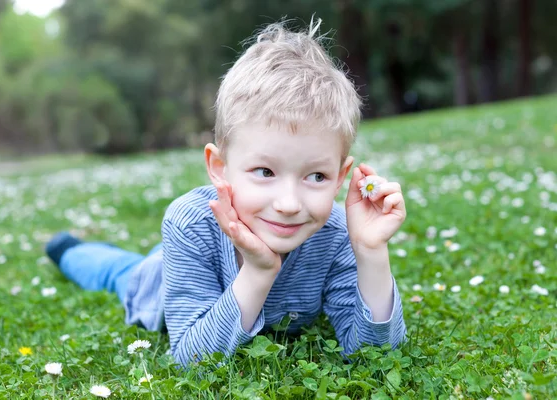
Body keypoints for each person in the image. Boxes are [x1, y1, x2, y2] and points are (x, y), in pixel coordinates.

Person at [46, 18, 408, 366]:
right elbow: (192, 359)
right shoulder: (188, 223)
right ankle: (71, 251)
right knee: (119, 272)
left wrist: (371, 253)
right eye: (265, 171)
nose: (288, 204)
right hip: (168, 270)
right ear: (220, 167)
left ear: (342, 176)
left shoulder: (337, 232)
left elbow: (375, 357)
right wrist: (258, 272)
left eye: (316, 176)